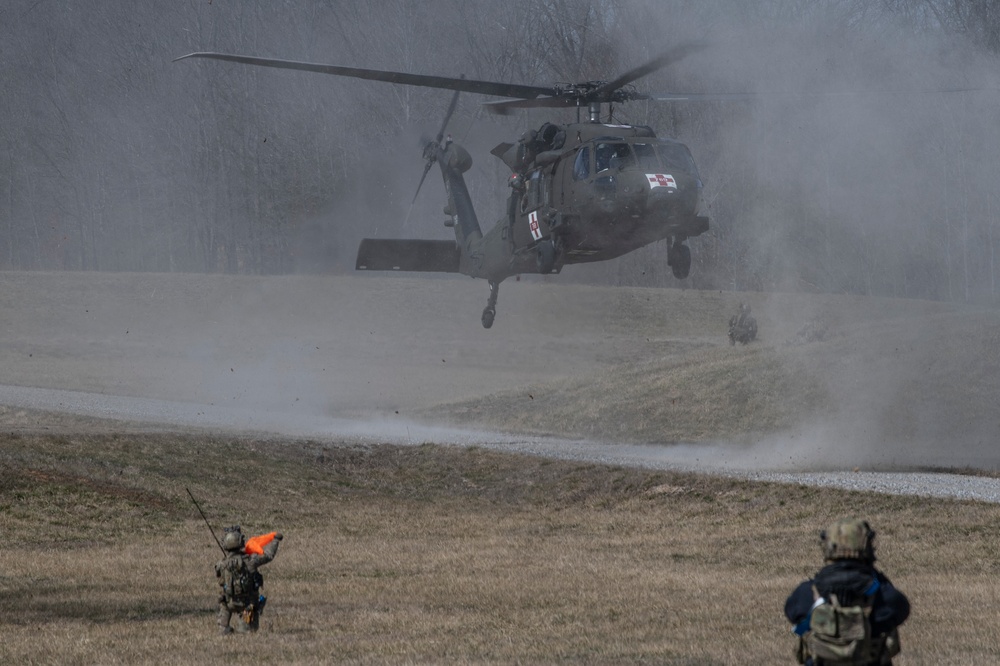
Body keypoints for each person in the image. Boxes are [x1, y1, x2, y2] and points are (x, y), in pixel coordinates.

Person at [785, 518, 909, 665]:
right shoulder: (883, 596)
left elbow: (791, 612)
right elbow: (902, 609)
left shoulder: (807, 593)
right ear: (866, 547)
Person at [215, 525, 282, 635]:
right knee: (249, 631)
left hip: (230, 602)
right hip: (247, 605)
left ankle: (223, 626)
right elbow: (269, 555)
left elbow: (221, 581)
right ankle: (245, 628)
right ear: (241, 542)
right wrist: (276, 540)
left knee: (223, 600)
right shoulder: (251, 561)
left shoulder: (220, 565)